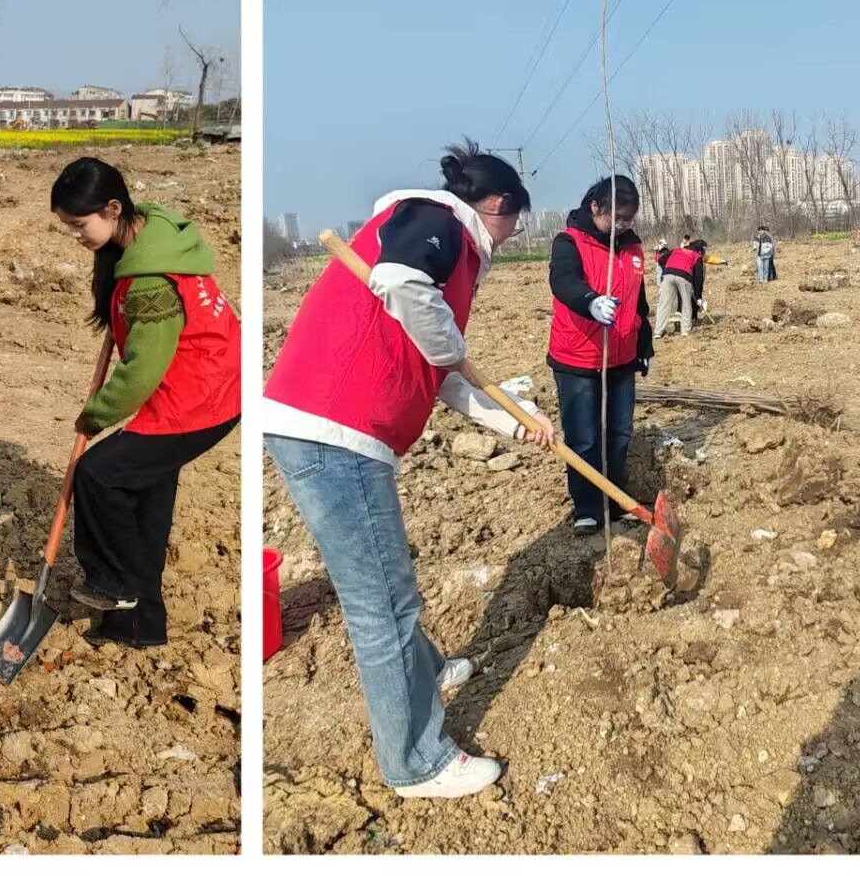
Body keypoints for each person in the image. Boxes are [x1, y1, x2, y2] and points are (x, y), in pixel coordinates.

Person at [264, 143, 548, 800]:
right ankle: (416, 762)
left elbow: (442, 373)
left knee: (387, 588)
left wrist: (519, 422)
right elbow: (400, 282)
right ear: (500, 206)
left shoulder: (443, 253)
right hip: (335, 428)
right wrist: (448, 343)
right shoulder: (436, 219)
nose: (508, 241)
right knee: (382, 606)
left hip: (335, 428)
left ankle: (427, 673)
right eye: (513, 225)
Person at [50, 159, 239, 649]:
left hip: (200, 397)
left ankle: (114, 584)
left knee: (99, 474)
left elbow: (142, 372)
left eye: (78, 225)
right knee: (142, 500)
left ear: (113, 209)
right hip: (215, 383)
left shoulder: (151, 280)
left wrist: (96, 414)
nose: (74, 236)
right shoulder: (150, 230)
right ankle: (137, 626)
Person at [546, 176, 652, 534]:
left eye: (628, 219)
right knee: (585, 437)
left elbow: (639, 300)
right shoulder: (569, 242)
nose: (622, 226)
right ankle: (587, 507)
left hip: (621, 357)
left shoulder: (632, 248)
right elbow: (563, 282)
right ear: (595, 208)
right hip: (579, 358)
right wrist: (590, 301)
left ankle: (615, 499)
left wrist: (644, 344)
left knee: (619, 433)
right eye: (617, 218)